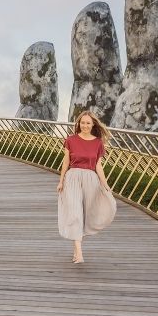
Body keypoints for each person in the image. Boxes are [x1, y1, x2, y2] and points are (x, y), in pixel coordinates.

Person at [57, 111, 117, 264]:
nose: (85, 125)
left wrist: (106, 185)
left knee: (85, 214)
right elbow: (66, 162)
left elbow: (98, 166)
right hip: (73, 178)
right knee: (74, 212)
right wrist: (61, 180)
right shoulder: (70, 140)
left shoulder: (98, 143)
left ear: (93, 125)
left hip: (91, 180)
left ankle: (76, 248)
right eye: (82, 123)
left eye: (88, 123)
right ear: (78, 124)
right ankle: (79, 251)